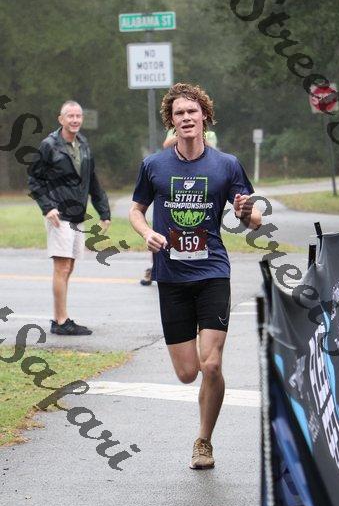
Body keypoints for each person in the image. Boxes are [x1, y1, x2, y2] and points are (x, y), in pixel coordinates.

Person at [129, 83, 261, 469]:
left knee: (212, 364)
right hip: (171, 277)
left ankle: (204, 441)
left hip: (212, 272)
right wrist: (146, 232)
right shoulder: (154, 165)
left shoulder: (227, 164)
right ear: (171, 120)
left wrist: (245, 212)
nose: (186, 118)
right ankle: (202, 416)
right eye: (179, 113)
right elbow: (136, 210)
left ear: (205, 116)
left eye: (192, 111)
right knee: (188, 373)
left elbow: (254, 218)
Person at [28, 100, 111, 335]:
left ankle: (59, 318)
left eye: (78, 116)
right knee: (62, 267)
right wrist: (48, 208)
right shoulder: (49, 145)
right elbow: (34, 179)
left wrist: (104, 212)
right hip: (59, 215)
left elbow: (92, 180)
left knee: (70, 266)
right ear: (61, 119)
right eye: (70, 116)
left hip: (77, 215)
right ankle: (61, 321)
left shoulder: (83, 144)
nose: (75, 120)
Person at [140, 128, 219, 287]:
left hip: (200, 176)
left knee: (201, 228)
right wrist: (185, 137)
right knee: (162, 232)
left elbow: (214, 151)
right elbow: (166, 144)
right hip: (174, 175)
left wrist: (198, 138)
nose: (188, 118)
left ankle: (206, 267)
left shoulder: (210, 134)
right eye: (181, 115)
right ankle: (153, 267)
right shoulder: (174, 130)